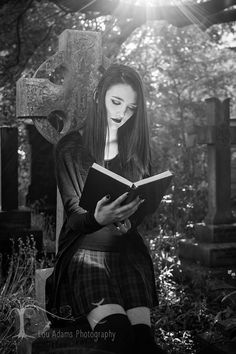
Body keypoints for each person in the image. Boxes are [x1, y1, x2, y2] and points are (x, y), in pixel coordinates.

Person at [46, 64, 165, 354]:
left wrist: (130, 221)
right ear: (100, 95)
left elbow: (141, 205)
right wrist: (97, 217)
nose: (122, 114)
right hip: (85, 254)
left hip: (126, 254)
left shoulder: (135, 151)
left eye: (131, 108)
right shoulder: (71, 147)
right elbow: (74, 215)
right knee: (117, 334)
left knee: (144, 343)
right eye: (116, 102)